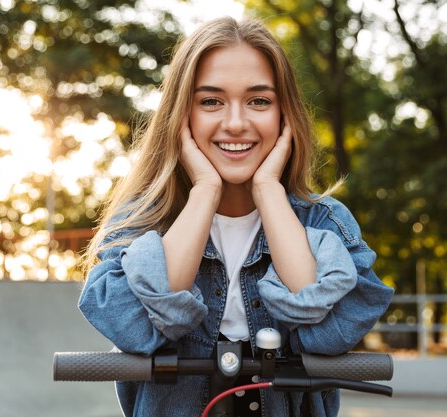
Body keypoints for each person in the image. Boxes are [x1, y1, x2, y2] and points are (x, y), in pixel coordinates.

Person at [79, 16, 393, 417]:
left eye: (259, 101)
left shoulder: (324, 222)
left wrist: (268, 191)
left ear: (285, 115)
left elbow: (329, 334)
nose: (236, 123)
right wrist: (205, 190)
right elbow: (132, 326)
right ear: (182, 115)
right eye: (210, 101)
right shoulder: (141, 219)